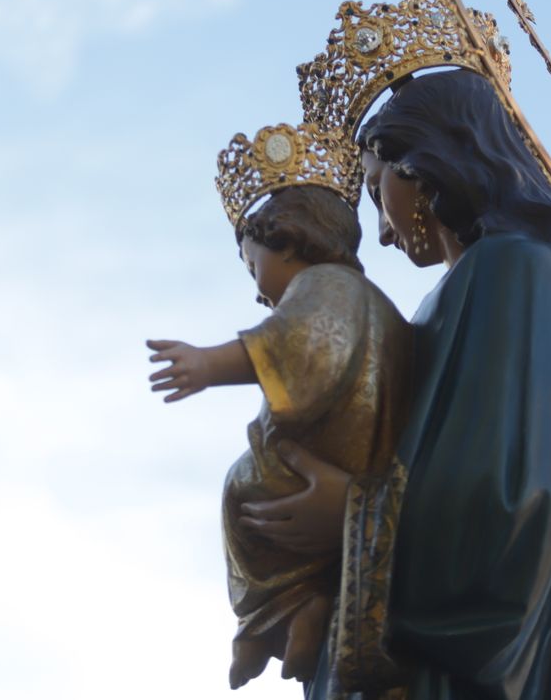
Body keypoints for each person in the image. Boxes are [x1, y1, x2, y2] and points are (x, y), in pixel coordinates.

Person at [239, 68, 551, 700]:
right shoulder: (449, 301)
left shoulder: (515, 272)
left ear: (426, 169)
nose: (378, 230)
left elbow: (519, 502)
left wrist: (350, 513)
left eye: (377, 189)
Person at [147, 182, 414, 689]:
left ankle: (268, 618)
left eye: (254, 266)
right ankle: (307, 605)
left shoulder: (329, 287)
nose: (255, 289)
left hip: (323, 462)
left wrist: (207, 363)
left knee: (239, 492)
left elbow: (296, 346)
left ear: (289, 242)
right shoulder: (367, 300)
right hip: (355, 467)